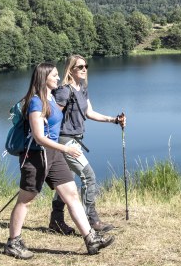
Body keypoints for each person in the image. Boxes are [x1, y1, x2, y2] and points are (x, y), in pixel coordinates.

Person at [5, 62, 115, 259]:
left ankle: (91, 239)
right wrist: (66, 148)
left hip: (53, 155)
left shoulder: (51, 99)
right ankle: (13, 243)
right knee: (25, 200)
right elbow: (39, 137)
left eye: (57, 75)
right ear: (43, 78)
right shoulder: (36, 102)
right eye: (54, 75)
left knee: (71, 195)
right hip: (36, 156)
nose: (58, 78)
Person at [48, 54, 127, 235]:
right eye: (80, 67)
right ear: (71, 70)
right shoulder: (64, 91)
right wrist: (48, 141)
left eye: (86, 66)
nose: (84, 69)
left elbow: (89, 112)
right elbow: (52, 116)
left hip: (74, 140)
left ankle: (56, 220)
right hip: (64, 141)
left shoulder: (82, 88)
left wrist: (114, 120)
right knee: (88, 177)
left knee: (65, 181)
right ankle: (90, 219)